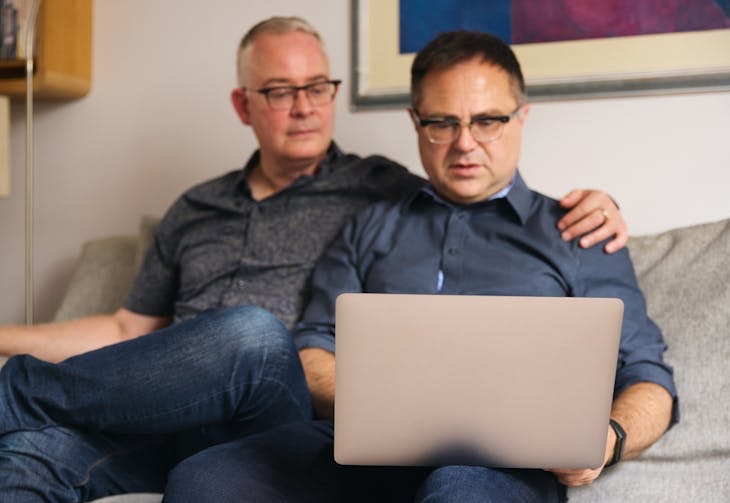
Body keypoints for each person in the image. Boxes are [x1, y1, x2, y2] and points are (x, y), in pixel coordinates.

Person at [0, 18, 628, 500]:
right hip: (175, 407)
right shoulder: (194, 207)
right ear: (243, 104)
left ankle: (13, 393)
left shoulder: (380, 193)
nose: (304, 107)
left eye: (317, 88)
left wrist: (601, 205)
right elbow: (124, 330)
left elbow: (469, 178)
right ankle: (19, 401)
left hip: (277, 407)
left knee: (250, 333)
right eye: (279, 91)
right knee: (31, 454)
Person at [162, 30, 678, 503]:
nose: (465, 143)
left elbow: (649, 376)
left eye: (488, 121)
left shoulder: (579, 231)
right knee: (201, 479)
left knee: (457, 492)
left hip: (503, 465)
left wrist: (606, 440)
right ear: (415, 121)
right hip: (361, 448)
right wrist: (377, 407)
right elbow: (315, 343)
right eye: (441, 123)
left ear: (522, 116)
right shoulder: (369, 226)